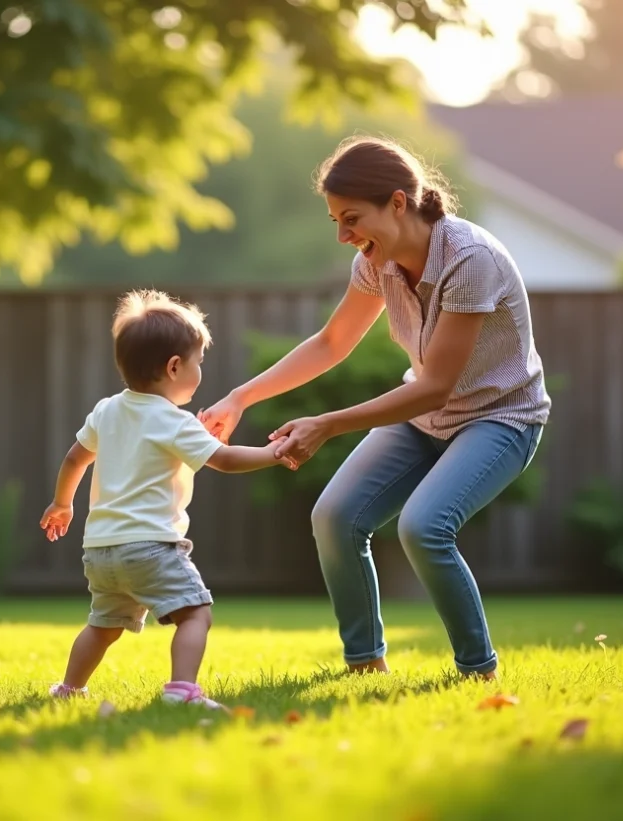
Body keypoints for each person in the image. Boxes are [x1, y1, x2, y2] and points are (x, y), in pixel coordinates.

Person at [198, 136, 550, 680]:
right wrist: (240, 396)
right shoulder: (378, 261)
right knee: (334, 517)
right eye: (336, 220)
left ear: (399, 203)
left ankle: (478, 672)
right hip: (428, 419)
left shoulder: (469, 259)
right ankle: (365, 666)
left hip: (500, 417)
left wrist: (329, 425)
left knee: (425, 526)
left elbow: (435, 385)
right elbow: (332, 342)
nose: (344, 236)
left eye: (352, 218)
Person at [40, 289, 296, 708]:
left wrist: (62, 503)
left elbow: (75, 458)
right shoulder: (173, 422)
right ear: (175, 366)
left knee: (103, 626)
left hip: (101, 550)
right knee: (195, 613)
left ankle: (69, 688)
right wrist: (273, 453)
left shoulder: (107, 410)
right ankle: (182, 689)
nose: (201, 370)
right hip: (151, 547)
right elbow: (226, 461)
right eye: (198, 362)